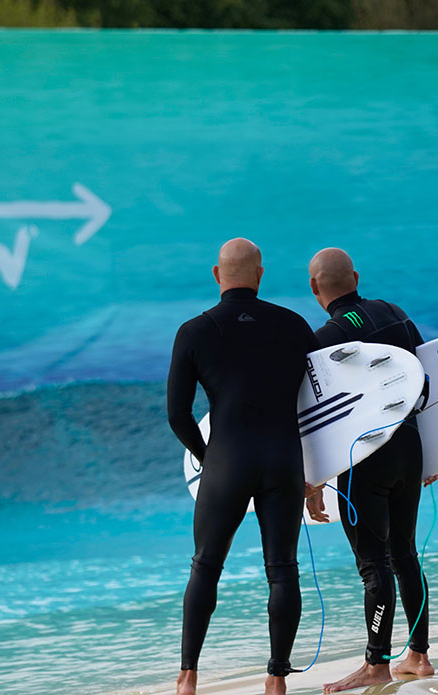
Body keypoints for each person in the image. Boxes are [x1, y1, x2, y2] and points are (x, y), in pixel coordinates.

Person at [167, 238, 320, 695]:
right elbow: (324, 397)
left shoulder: (194, 331)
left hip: (228, 460)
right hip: (282, 461)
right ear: (260, 274)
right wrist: (317, 473)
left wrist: (206, 455)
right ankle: (276, 680)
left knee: (206, 566)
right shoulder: (293, 325)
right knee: (282, 569)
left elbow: (177, 415)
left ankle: (188, 677)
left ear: (218, 275)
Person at [304, 247, 437, 693]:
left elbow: (319, 417)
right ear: (356, 277)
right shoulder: (394, 313)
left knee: (373, 564)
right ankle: (418, 656)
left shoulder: (323, 341)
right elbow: (424, 382)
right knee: (405, 554)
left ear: (314, 287)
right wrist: (435, 455)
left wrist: (313, 478)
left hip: (366, 460)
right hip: (411, 447)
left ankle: (376, 664)